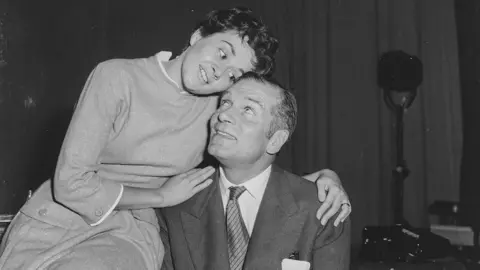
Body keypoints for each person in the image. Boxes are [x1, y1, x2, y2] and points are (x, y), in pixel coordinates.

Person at [0, 7, 350, 270]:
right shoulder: (117, 76)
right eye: (222, 52)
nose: (220, 71)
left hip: (132, 234)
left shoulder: (217, 107)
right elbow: (71, 182)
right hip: (62, 218)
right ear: (198, 37)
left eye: (234, 74)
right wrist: (161, 195)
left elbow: (246, 167)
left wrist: (321, 178)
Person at [158, 73, 350, 270]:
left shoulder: (322, 210)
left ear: (275, 140)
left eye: (248, 109)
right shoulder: (176, 204)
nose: (223, 115)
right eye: (225, 103)